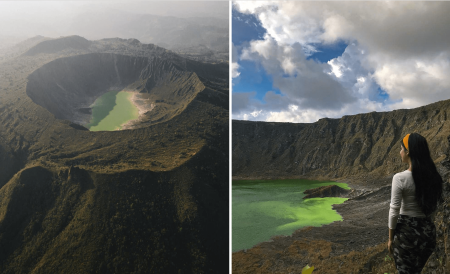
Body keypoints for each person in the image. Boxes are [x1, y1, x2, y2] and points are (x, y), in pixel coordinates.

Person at [388, 133, 443, 273]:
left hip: (406, 236)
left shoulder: (399, 178)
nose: (400, 152)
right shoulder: (434, 177)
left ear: (408, 151)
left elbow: (394, 211)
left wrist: (390, 238)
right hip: (428, 234)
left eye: (401, 148)